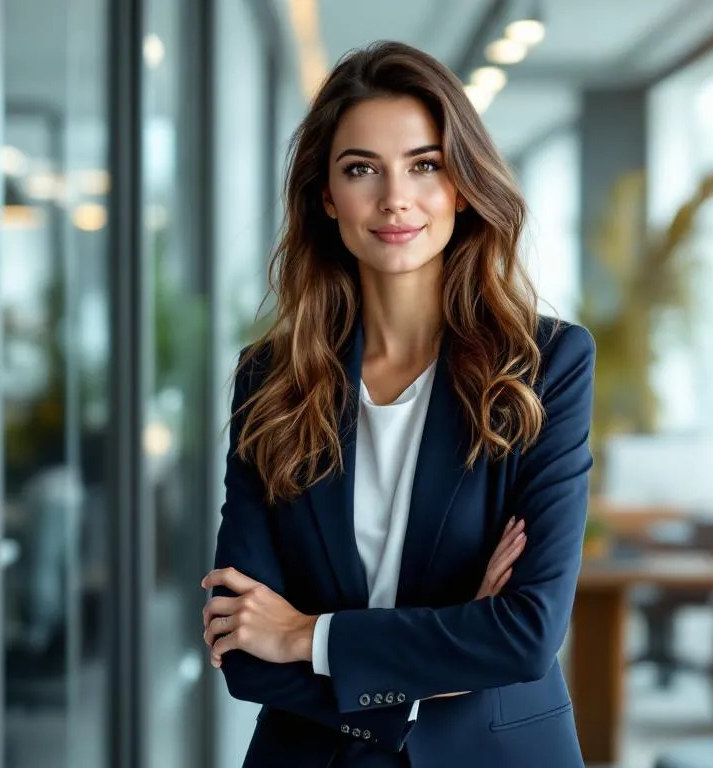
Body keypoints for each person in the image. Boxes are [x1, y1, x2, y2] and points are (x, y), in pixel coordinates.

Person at [201, 40, 594, 768]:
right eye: (361, 169)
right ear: (326, 196)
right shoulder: (270, 380)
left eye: (424, 165)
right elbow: (243, 648)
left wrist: (306, 636)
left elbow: (525, 635)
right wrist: (446, 660)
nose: (394, 198)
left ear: (463, 185)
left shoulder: (544, 368)